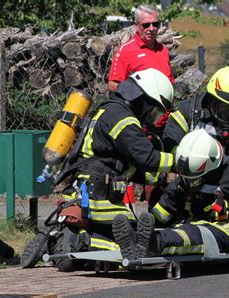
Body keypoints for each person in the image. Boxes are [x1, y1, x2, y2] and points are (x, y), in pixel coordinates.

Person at [112, 129, 229, 260]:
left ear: (210, 166)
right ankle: (140, 242)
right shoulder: (186, 179)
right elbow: (167, 206)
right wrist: (145, 226)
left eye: (192, 179)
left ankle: (154, 244)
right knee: (185, 230)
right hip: (194, 224)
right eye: (185, 178)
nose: (187, 183)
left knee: (192, 234)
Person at [60, 68, 175, 252]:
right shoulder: (124, 120)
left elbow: (126, 167)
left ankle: (65, 240)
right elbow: (147, 158)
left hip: (82, 192)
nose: (153, 118)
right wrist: (180, 162)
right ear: (143, 100)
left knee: (130, 236)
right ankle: (83, 243)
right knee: (140, 240)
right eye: (154, 111)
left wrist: (160, 179)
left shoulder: (108, 110)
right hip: (99, 198)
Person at [162, 66, 229, 172]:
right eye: (223, 107)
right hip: (189, 174)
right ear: (211, 99)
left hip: (226, 182)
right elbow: (170, 147)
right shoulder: (185, 111)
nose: (228, 114)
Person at [109, 4, 174, 92]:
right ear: (136, 25)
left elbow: (170, 82)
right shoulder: (125, 51)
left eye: (155, 24)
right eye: (146, 25)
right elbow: (113, 86)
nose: (151, 28)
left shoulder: (163, 49)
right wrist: (137, 94)